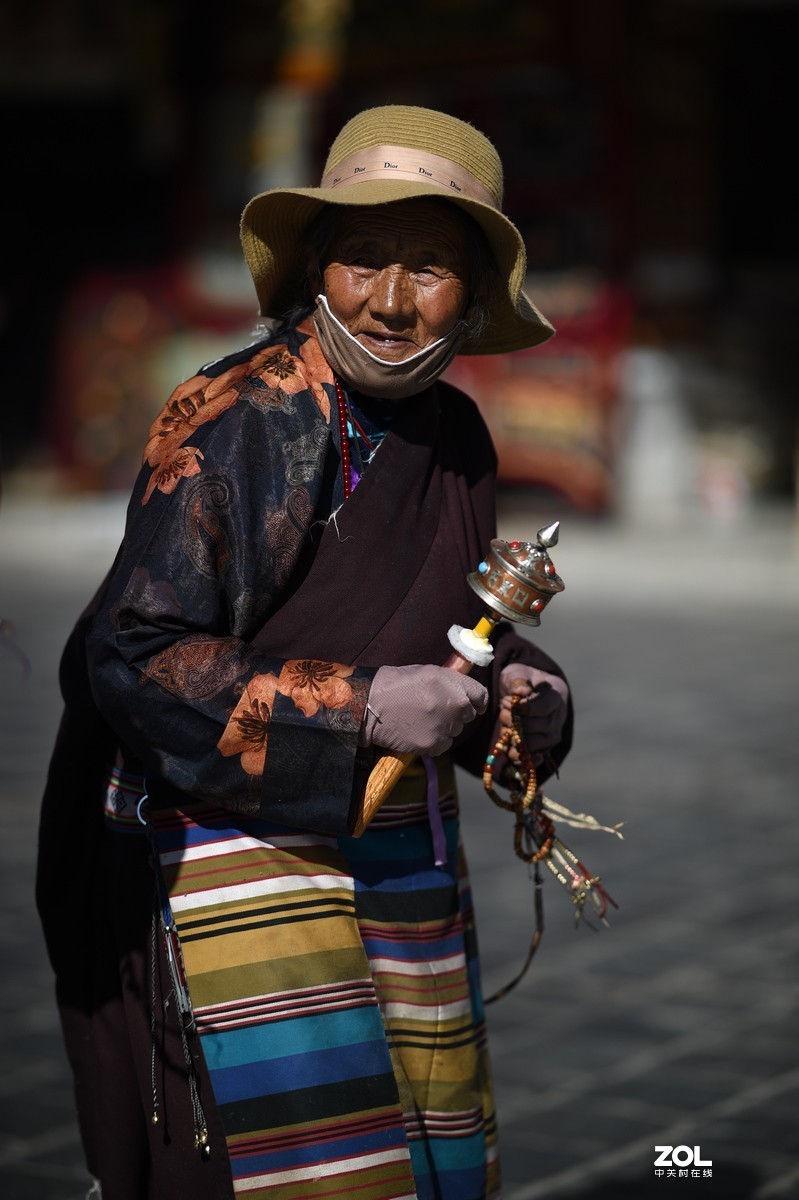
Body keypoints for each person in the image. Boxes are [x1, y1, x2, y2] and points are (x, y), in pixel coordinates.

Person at [37, 105, 573, 1200]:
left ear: (470, 295)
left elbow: (443, 626)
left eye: (428, 267)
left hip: (398, 847)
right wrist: (365, 706)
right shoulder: (244, 418)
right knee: (303, 1168)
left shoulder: (458, 433)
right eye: (361, 258)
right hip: (236, 849)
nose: (388, 300)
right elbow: (135, 654)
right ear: (315, 270)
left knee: (420, 1153)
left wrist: (513, 682)